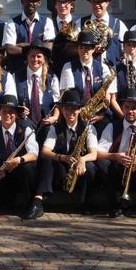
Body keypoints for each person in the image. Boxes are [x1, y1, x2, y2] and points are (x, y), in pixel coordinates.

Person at [26, 88, 98, 219]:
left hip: (79, 168)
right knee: (48, 161)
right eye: (67, 108)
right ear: (62, 110)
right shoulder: (55, 128)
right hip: (62, 169)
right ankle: (38, 201)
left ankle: (85, 202)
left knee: (92, 168)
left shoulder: (88, 127)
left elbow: (94, 154)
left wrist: (82, 160)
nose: (71, 112)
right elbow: (45, 151)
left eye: (74, 108)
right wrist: (61, 157)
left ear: (80, 110)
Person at [0, 93, 39, 214]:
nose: (7, 115)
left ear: (16, 114)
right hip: (4, 173)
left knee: (29, 168)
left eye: (11, 112)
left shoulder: (26, 129)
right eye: (4, 111)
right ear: (0, 113)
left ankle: (27, 202)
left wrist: (19, 160)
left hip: (20, 171)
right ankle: (5, 201)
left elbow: (34, 154)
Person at [59, 30, 117, 133]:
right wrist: (81, 114)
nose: (84, 51)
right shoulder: (68, 67)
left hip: (99, 114)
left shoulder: (103, 67)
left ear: (94, 49)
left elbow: (107, 96)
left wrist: (101, 114)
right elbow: (68, 95)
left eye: (88, 48)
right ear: (77, 48)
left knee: (107, 126)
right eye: (81, 47)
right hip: (76, 113)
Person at [2, 0, 55, 74]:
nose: (30, 3)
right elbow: (10, 49)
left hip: (41, 72)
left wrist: (23, 46)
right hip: (17, 72)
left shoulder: (47, 22)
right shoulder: (11, 23)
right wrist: (38, 48)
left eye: (34, 0)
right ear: (22, 1)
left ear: (39, 3)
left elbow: (48, 47)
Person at [15, 41, 60, 129]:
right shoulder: (16, 76)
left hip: (46, 118)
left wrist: (55, 117)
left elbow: (57, 102)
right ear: (27, 58)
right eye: (32, 56)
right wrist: (19, 110)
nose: (35, 59)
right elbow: (12, 101)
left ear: (44, 59)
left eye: (39, 56)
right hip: (25, 119)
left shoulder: (52, 77)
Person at [80, 0, 128, 66]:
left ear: (107, 3)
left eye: (100, 2)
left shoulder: (118, 24)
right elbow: (73, 47)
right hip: (87, 71)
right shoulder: (80, 23)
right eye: (93, 2)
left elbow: (127, 49)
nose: (96, 5)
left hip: (111, 72)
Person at [51, 0, 80, 73]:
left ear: (71, 5)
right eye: (59, 2)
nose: (62, 5)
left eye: (66, 2)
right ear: (55, 5)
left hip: (74, 69)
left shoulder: (79, 23)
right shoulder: (49, 24)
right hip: (54, 70)